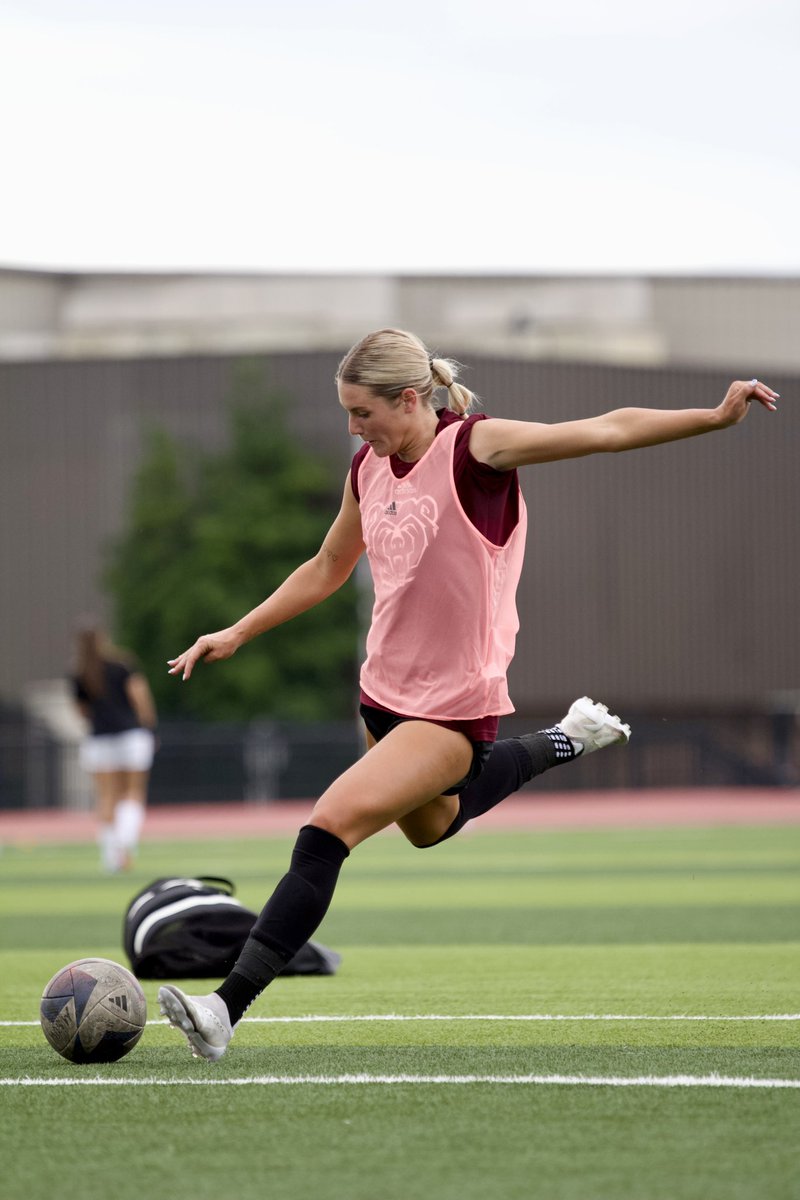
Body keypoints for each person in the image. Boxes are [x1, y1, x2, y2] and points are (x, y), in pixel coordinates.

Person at [157, 329, 779, 1060]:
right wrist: (238, 631)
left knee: (327, 829)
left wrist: (712, 417)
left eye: (362, 412)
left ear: (409, 398)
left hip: (452, 706)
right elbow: (328, 563)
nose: (353, 428)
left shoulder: (476, 450)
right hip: (381, 694)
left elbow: (604, 431)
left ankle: (224, 1010)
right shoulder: (369, 468)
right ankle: (564, 739)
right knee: (430, 827)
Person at [71, 623, 158, 872]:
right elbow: (140, 698)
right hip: (130, 736)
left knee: (106, 796)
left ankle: (110, 856)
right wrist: (150, 728)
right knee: (133, 793)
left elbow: (81, 710)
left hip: (99, 739)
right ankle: (125, 847)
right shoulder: (122, 664)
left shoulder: (79, 673)